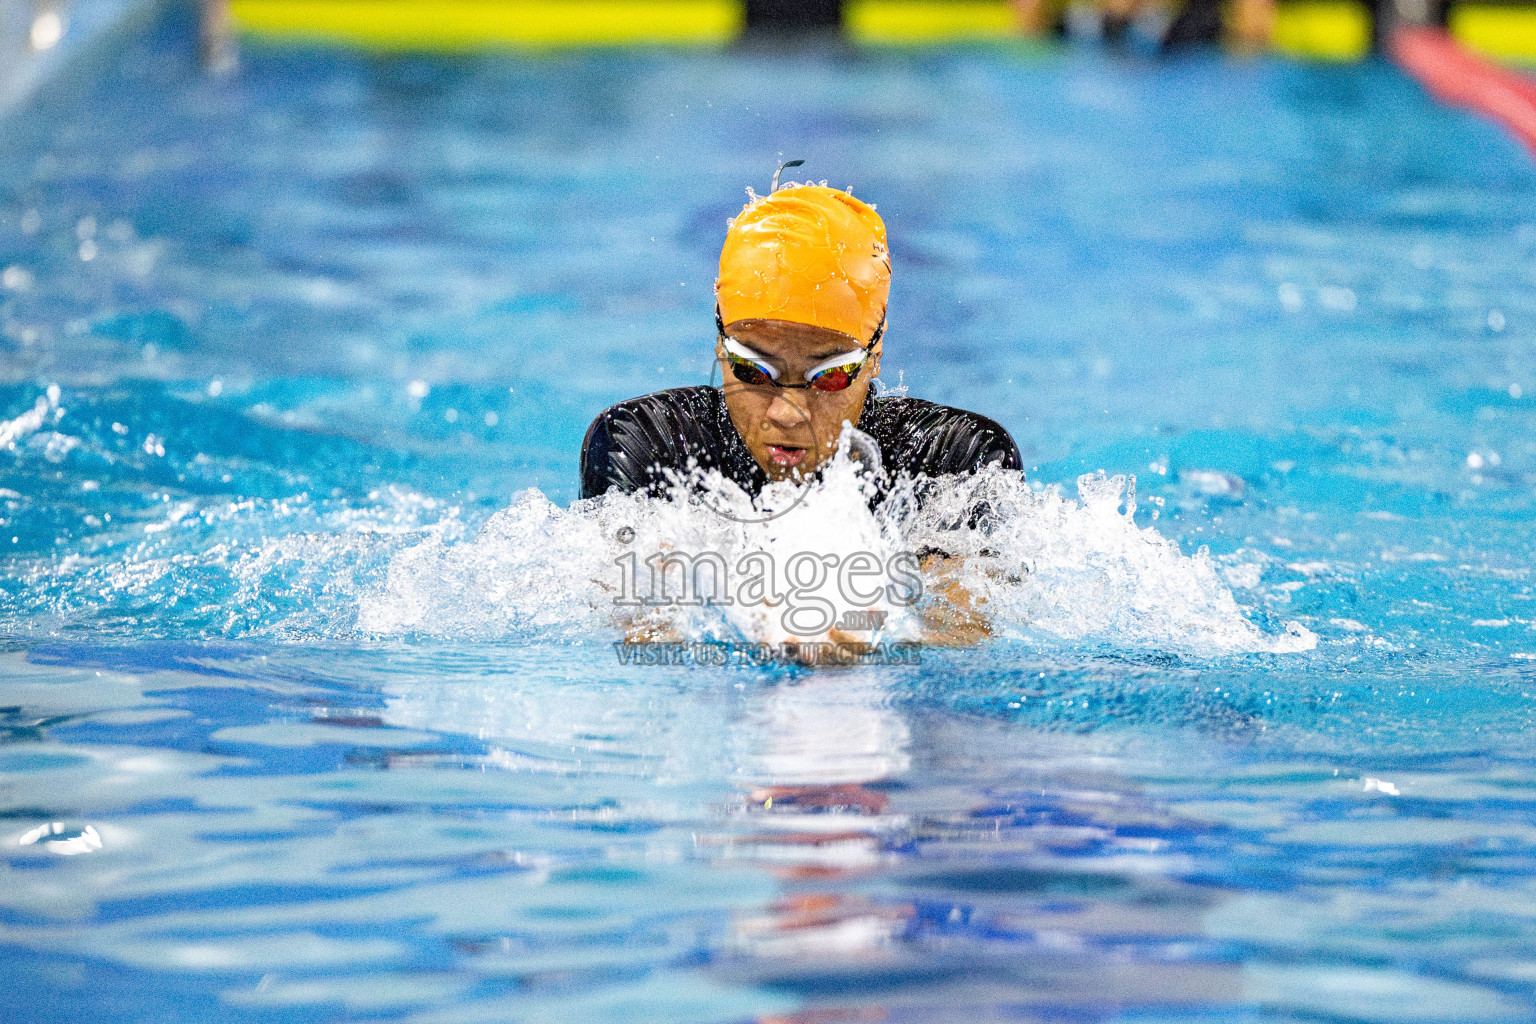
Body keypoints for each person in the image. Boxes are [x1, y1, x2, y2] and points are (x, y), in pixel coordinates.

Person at [580, 176, 1021, 511]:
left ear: (875, 355)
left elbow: (955, 624)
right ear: (720, 343)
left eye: (827, 376)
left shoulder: (954, 459)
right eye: (754, 371)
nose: (788, 412)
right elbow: (645, 623)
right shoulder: (651, 445)